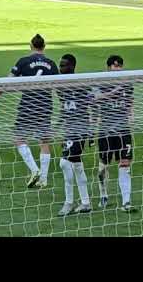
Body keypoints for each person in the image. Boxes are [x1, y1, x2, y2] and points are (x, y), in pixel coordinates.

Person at [0, 34, 59, 188]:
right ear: (43, 47)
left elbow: (8, 81)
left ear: (31, 46)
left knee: (19, 138)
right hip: (46, 105)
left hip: (28, 104)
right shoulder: (51, 64)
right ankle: (44, 179)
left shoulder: (24, 61)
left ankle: (34, 170)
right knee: (44, 141)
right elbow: (58, 85)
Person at [95, 55, 136, 212]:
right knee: (103, 166)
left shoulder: (127, 84)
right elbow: (96, 99)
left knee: (125, 164)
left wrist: (132, 115)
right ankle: (103, 195)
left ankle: (126, 201)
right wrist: (115, 91)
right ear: (108, 67)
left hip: (123, 130)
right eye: (114, 65)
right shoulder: (100, 81)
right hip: (106, 130)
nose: (117, 68)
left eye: (120, 65)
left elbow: (130, 101)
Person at [57, 54, 93, 216]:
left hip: (80, 128)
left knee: (64, 163)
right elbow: (64, 107)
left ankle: (69, 202)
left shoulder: (81, 84)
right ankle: (85, 203)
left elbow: (89, 107)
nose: (61, 68)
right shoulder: (60, 85)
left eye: (64, 65)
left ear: (72, 66)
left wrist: (91, 132)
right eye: (60, 65)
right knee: (76, 164)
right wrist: (59, 126)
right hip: (69, 130)